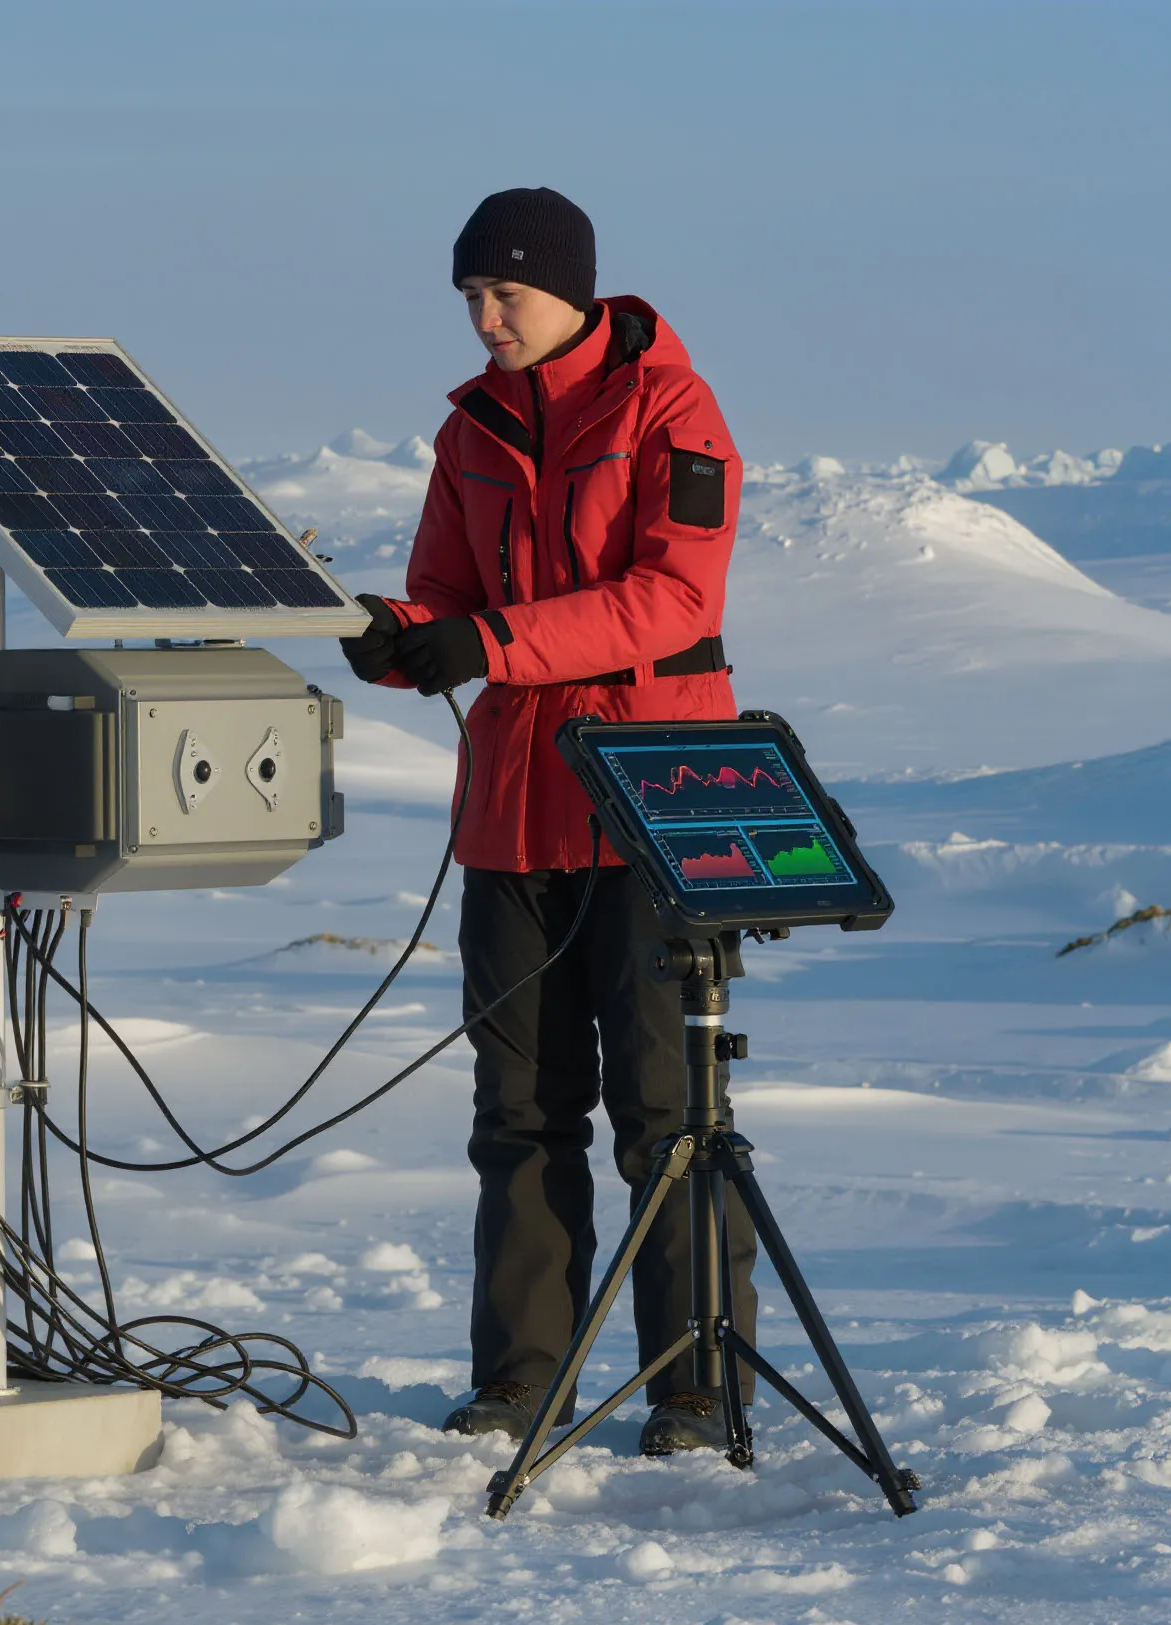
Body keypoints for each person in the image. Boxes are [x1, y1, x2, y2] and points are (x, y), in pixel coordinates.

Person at [341, 187, 759, 1456]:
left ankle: (695, 1382)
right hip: (515, 808)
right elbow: (444, 592)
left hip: (653, 795)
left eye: (503, 295)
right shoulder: (467, 429)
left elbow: (670, 598)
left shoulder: (671, 411)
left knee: (666, 1108)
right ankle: (524, 1376)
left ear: (570, 289)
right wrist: (403, 643)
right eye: (468, 296)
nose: (483, 319)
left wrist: (493, 639)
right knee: (517, 1109)